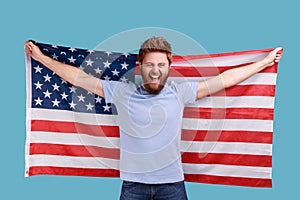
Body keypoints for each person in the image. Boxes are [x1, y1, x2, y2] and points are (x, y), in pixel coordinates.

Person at [24, 37, 282, 200]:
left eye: (161, 65)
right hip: (133, 186)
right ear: (141, 66)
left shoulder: (180, 91)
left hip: (172, 185)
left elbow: (222, 80)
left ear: (169, 67)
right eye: (150, 65)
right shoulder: (121, 91)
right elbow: (80, 79)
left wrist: (263, 63)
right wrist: (41, 58)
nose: (155, 70)